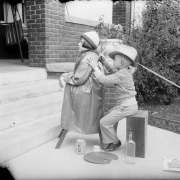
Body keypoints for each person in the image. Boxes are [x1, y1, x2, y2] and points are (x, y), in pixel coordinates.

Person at [87, 44, 138, 151]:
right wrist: (104, 61)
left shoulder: (121, 75)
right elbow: (113, 71)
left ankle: (115, 141)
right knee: (109, 116)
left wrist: (94, 67)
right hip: (128, 105)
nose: (112, 62)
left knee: (104, 122)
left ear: (121, 63)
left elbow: (104, 80)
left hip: (126, 107)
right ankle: (109, 140)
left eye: (114, 60)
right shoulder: (125, 71)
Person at [59, 31, 104, 135]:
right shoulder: (93, 55)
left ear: (87, 44)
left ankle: (68, 125)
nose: (78, 44)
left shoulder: (87, 58)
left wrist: (65, 77)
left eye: (81, 42)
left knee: (62, 79)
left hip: (86, 91)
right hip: (93, 91)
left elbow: (78, 79)